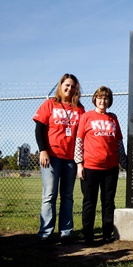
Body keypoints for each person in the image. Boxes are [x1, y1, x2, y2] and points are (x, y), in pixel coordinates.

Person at [33, 73, 85, 244]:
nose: (69, 88)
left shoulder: (80, 109)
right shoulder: (50, 104)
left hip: (70, 158)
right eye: (67, 85)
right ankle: (45, 233)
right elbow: (39, 128)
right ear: (61, 85)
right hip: (52, 157)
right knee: (49, 195)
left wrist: (80, 159)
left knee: (68, 196)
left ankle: (66, 232)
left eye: (73, 86)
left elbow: (82, 135)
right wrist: (43, 150)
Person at [74, 86, 127, 244]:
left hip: (110, 168)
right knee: (89, 202)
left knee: (108, 201)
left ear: (109, 101)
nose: (102, 101)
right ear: (95, 99)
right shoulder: (86, 116)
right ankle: (88, 235)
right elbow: (79, 141)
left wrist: (124, 162)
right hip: (90, 167)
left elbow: (119, 143)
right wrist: (79, 164)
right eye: (100, 98)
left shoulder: (113, 118)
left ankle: (107, 233)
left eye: (106, 98)